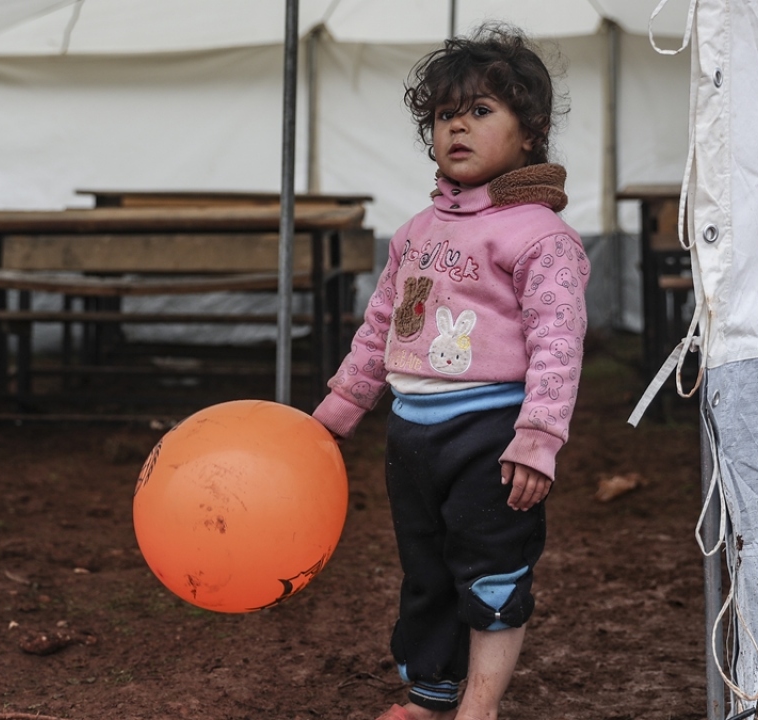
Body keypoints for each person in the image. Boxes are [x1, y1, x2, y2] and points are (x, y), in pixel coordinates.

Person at [312, 23, 589, 720]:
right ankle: (431, 697)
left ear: (530, 132)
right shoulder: (415, 232)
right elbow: (382, 326)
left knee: (491, 573)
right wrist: (342, 406)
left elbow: (558, 346)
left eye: (480, 111)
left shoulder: (541, 237)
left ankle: (479, 708)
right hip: (411, 436)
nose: (456, 126)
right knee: (427, 572)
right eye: (443, 115)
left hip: (490, 438)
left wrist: (538, 439)